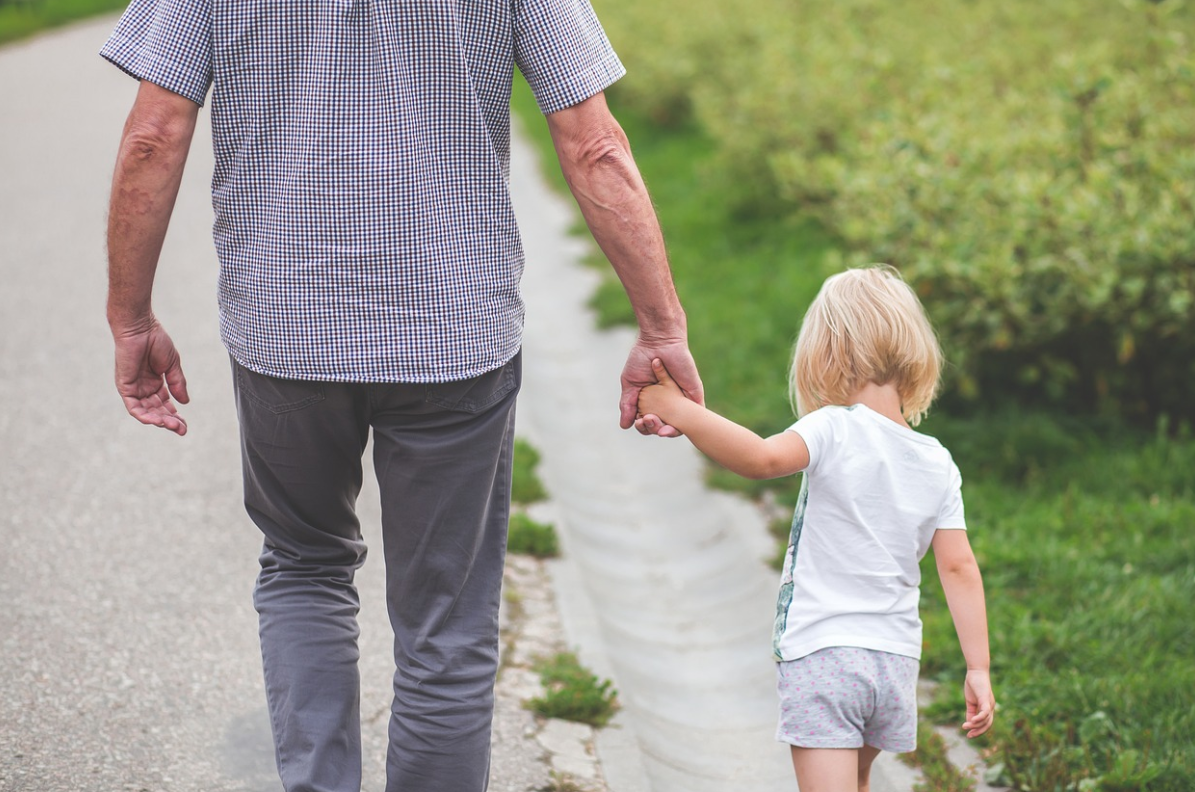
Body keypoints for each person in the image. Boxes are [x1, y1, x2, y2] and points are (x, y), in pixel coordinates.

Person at [101, 1, 702, 789]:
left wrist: (131, 316)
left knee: (304, 567)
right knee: (446, 624)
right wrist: (660, 324)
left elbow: (154, 133)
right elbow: (593, 143)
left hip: (287, 328)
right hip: (454, 330)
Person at [636, 266, 994, 792]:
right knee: (859, 780)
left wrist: (679, 410)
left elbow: (759, 459)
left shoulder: (834, 428)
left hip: (826, 656)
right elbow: (959, 567)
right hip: (895, 663)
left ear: (827, 353)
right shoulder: (937, 460)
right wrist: (978, 667)